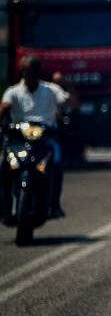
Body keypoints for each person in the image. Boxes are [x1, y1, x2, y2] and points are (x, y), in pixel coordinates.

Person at [0, 56, 73, 224]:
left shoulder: (51, 89)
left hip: (45, 139)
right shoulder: (13, 92)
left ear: (39, 72)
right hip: (18, 141)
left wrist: (66, 84)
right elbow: (4, 107)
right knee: (4, 166)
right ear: (22, 72)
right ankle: (4, 207)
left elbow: (70, 102)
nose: (30, 75)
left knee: (56, 161)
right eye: (27, 71)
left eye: (33, 71)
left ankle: (54, 204)